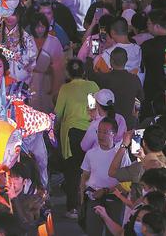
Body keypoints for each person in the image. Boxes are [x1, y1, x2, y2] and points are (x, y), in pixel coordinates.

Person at [54, 59, 99, 219]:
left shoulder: (65, 88)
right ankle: (90, 206)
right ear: (84, 72)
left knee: (72, 171)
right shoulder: (93, 86)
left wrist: (53, 130)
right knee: (90, 169)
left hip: (72, 133)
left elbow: (58, 114)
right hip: (91, 132)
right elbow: (94, 108)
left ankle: (73, 207)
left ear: (68, 73)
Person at [80, 117, 131, 236]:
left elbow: (127, 182)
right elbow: (84, 176)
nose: (101, 135)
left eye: (105, 132)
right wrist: (82, 198)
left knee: (113, 232)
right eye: (99, 131)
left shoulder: (121, 154)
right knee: (93, 231)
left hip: (114, 198)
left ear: (114, 134)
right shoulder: (91, 153)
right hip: (94, 196)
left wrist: (107, 190)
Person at [109, 125, 166, 202]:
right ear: (165, 142)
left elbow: (112, 172)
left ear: (144, 143)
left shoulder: (138, 168)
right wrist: (143, 158)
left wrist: (124, 145)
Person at [88, 47, 144, 130]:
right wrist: (135, 116)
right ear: (126, 60)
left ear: (111, 61)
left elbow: (90, 75)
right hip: (129, 125)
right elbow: (139, 99)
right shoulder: (134, 79)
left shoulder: (104, 78)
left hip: (109, 125)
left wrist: (90, 59)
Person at [141, 10, 166, 118]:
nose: (147, 26)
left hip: (151, 90)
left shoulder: (147, 46)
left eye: (149, 24)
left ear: (157, 26)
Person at [29, 12, 65, 111]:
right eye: (37, 27)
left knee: (47, 106)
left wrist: (56, 87)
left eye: (42, 26)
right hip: (31, 80)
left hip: (49, 79)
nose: (40, 30)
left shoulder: (54, 41)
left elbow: (60, 66)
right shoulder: (27, 40)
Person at [0, 6, 37, 84]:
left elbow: (32, 59)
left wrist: (17, 57)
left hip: (21, 79)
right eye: (7, 14)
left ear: (18, 16)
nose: (9, 17)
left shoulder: (26, 37)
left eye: (13, 14)